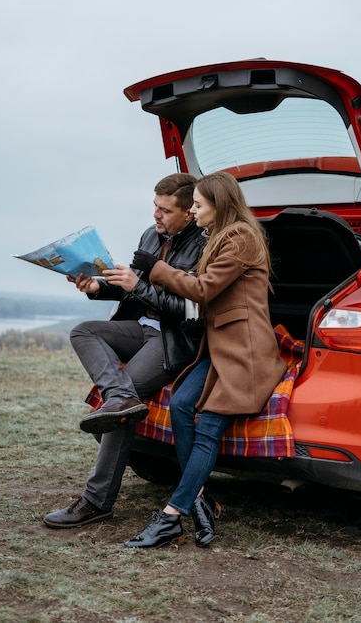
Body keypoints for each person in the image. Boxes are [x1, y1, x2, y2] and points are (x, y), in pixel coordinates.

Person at [125, 171, 287, 548]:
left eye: (198, 204)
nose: (193, 210)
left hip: (244, 353)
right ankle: (199, 501)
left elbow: (203, 289)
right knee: (182, 404)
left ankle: (171, 516)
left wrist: (154, 270)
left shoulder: (242, 239)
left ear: (220, 205)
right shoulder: (218, 236)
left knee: (209, 426)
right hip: (219, 349)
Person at [43, 173, 206, 528]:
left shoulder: (204, 244)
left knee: (119, 408)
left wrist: (138, 286)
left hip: (173, 339)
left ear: (189, 213)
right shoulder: (151, 235)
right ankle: (118, 396)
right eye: (154, 206)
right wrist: (96, 287)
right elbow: (131, 289)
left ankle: (96, 500)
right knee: (83, 331)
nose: (156, 216)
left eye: (164, 210)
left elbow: (190, 310)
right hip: (138, 327)